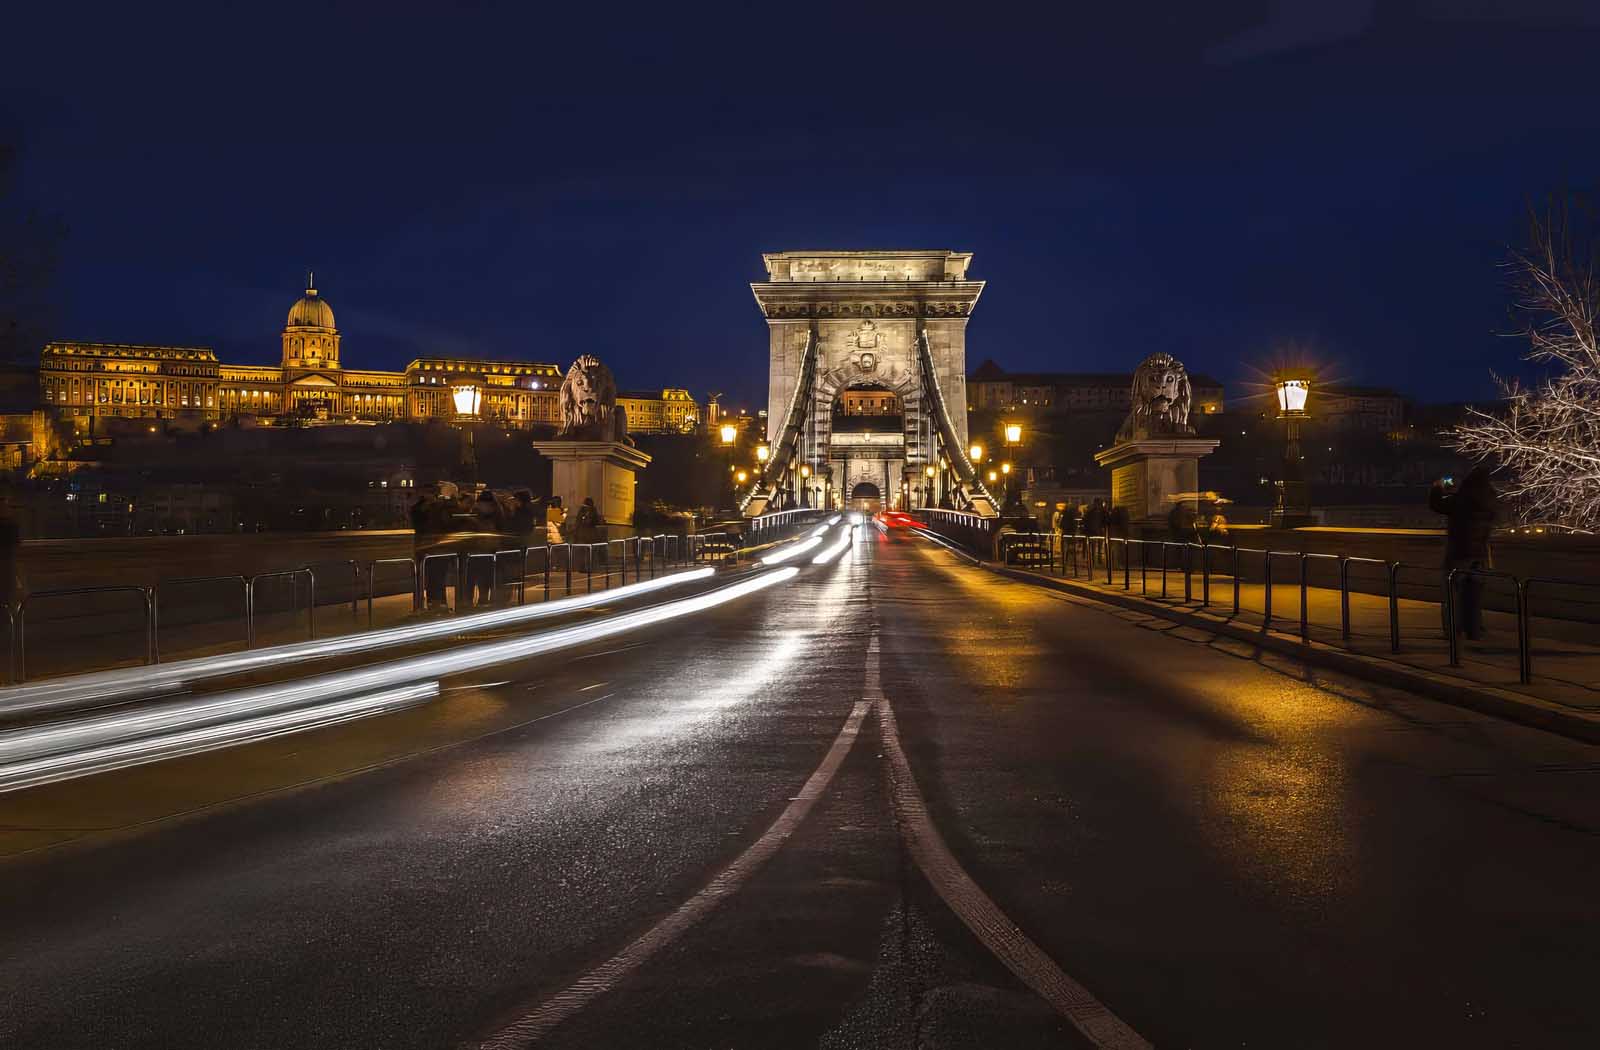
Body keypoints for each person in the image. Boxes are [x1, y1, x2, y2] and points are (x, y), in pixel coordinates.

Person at [1429, 467, 1498, 641]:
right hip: (1480, 555)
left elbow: (1437, 505)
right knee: (1474, 596)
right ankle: (1474, 630)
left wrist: (1438, 487)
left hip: (1459, 554)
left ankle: (1452, 631)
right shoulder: (1489, 501)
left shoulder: (1462, 500)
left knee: (1452, 595)